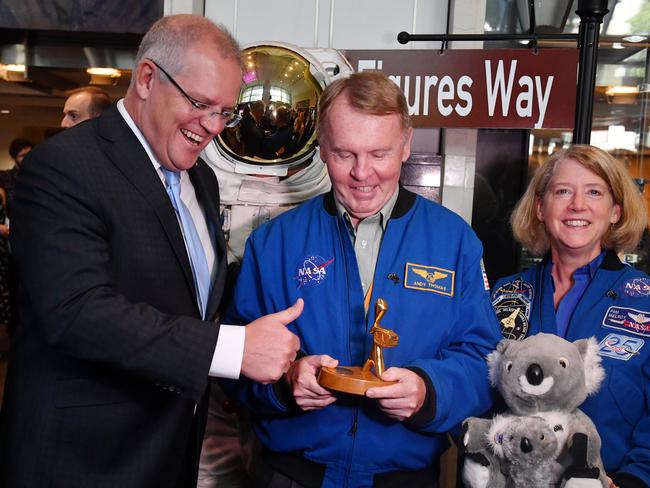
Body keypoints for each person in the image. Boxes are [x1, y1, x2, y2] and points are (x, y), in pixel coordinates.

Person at [0, 14, 302, 487]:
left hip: (170, 448)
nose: (214, 127)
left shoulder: (199, 176)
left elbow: (187, 297)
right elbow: (76, 313)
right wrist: (233, 349)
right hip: (84, 462)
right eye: (202, 104)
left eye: (226, 112)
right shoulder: (63, 167)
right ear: (146, 78)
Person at [224, 71, 502, 488]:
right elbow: (234, 364)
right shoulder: (274, 242)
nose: (362, 173)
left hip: (404, 478)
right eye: (343, 154)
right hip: (290, 475)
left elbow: (485, 362)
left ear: (406, 144)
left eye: (379, 153)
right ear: (321, 148)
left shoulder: (454, 241)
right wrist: (285, 384)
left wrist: (430, 391)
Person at [491, 145, 650, 488]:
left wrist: (634, 480)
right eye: (563, 191)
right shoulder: (506, 295)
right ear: (539, 208)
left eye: (594, 192)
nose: (578, 204)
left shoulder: (644, 300)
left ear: (615, 211)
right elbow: (478, 397)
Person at [0, 138, 32, 217]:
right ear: (14, 158)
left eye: (30, 154)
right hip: (12, 225)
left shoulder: (40, 177)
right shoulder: (4, 177)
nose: (28, 158)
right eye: (23, 155)